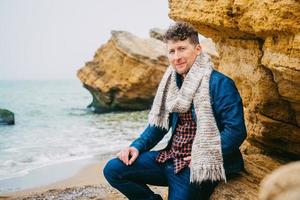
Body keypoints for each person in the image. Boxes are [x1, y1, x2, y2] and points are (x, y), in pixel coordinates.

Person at [103, 22, 247, 200]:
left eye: (182, 49)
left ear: (197, 49)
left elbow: (236, 130)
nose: (176, 57)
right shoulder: (171, 83)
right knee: (113, 169)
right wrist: (136, 146)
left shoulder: (220, 83)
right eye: (172, 51)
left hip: (198, 166)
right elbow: (159, 126)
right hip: (170, 157)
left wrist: (205, 154)